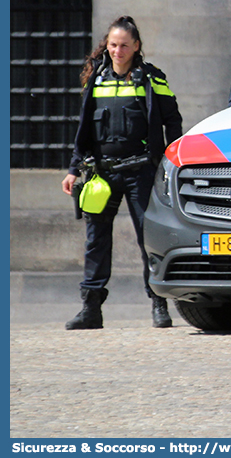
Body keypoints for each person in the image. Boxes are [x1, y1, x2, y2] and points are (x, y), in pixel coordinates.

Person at [62, 16, 183, 329]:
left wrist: (170, 160)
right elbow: (84, 128)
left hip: (141, 171)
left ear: (136, 46)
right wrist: (75, 168)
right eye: (113, 45)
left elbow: (172, 120)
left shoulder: (151, 78)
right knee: (95, 241)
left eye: (124, 45)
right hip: (102, 173)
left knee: (148, 237)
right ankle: (90, 309)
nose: (117, 51)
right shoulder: (96, 79)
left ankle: (158, 304)